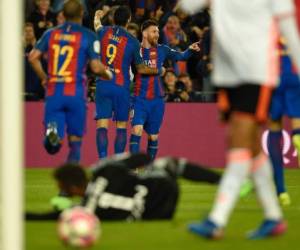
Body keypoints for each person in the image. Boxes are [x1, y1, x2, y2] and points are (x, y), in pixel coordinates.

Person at [180, 0, 300, 239]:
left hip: (256, 72)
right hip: (228, 75)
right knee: (252, 146)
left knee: (238, 144)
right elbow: (188, 5)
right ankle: (273, 217)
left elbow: (289, 30)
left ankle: (217, 220)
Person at [29, 0, 112, 163]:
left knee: (53, 146)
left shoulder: (50, 34)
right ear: (82, 14)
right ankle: (68, 187)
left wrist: (44, 78)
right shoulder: (89, 36)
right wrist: (108, 74)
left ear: (63, 15)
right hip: (76, 93)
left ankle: (52, 136)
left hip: (54, 92)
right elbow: (96, 67)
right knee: (75, 143)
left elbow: (32, 57)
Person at [26, 153, 221, 221]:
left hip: (156, 216)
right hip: (165, 190)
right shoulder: (106, 171)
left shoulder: (85, 211)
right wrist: (121, 169)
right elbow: (144, 157)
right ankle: (222, 182)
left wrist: (22, 216)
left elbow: (50, 216)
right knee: (168, 163)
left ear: (72, 189)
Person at [93, 6, 164, 159]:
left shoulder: (103, 31)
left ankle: (103, 161)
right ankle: (118, 161)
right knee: (121, 126)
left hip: (103, 84)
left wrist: (97, 15)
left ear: (113, 19)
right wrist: (158, 70)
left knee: (102, 125)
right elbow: (141, 69)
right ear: (129, 20)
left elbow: (97, 25)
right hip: (121, 87)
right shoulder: (132, 42)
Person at [129, 19, 200, 159]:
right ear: (144, 33)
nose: (157, 34)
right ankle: (133, 167)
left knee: (153, 136)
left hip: (157, 100)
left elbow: (181, 56)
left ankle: (149, 167)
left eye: (157, 32)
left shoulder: (162, 49)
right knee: (136, 130)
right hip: (139, 98)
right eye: (153, 31)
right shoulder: (135, 50)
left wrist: (190, 50)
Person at [267, 37, 300, 206]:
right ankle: (297, 136)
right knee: (297, 119)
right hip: (294, 69)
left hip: (273, 72)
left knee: (274, 127)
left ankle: (281, 191)